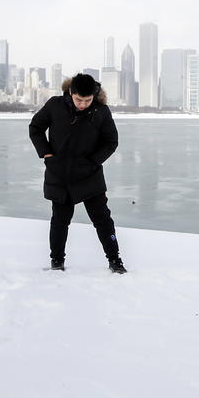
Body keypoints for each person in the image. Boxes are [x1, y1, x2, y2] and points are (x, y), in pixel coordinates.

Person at [29, 73, 126, 274]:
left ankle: (115, 262)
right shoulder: (55, 105)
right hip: (59, 173)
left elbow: (111, 142)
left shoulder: (101, 111)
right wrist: (46, 154)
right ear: (71, 93)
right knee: (59, 221)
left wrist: (93, 161)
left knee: (102, 220)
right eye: (79, 100)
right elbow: (35, 127)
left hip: (89, 174)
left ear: (94, 96)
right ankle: (57, 262)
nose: (82, 105)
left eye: (87, 100)